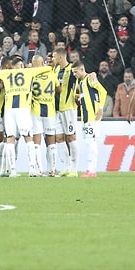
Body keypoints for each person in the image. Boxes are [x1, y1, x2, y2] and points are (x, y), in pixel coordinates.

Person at [0, 56, 52, 177]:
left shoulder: (6, 73)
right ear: (21, 66)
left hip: (10, 110)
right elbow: (47, 69)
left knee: (10, 138)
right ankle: (32, 169)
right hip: (23, 109)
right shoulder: (28, 72)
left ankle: (13, 171)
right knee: (28, 138)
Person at [72, 60, 107, 178]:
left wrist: (100, 108)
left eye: (76, 72)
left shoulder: (89, 79)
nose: (74, 74)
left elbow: (103, 91)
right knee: (89, 142)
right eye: (73, 72)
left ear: (82, 69)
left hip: (93, 117)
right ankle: (90, 169)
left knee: (91, 142)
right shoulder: (81, 82)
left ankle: (91, 170)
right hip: (86, 118)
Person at [51, 48, 79, 177]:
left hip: (68, 108)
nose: (53, 59)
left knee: (71, 137)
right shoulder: (55, 70)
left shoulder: (72, 69)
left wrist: (92, 75)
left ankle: (74, 168)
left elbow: (83, 77)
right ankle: (66, 167)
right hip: (57, 109)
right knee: (59, 138)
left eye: (54, 57)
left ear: (61, 57)